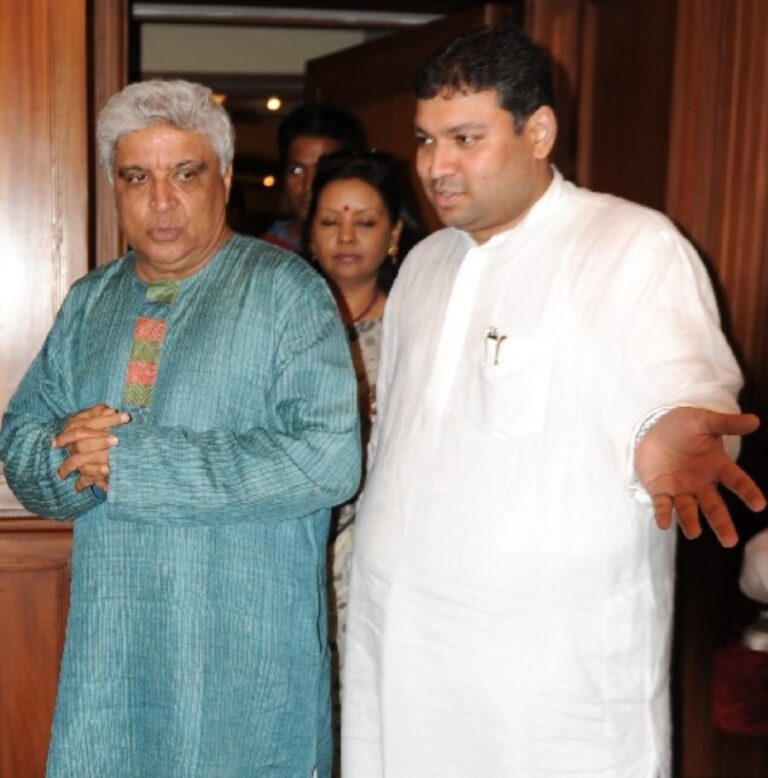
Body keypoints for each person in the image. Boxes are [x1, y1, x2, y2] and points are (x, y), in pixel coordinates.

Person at [341, 26, 766, 777]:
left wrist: (672, 435)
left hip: (546, 676)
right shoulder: (425, 265)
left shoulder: (632, 244)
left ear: (538, 131)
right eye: (425, 139)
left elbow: (694, 399)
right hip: (401, 648)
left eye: (466, 138)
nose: (436, 166)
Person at [0, 79, 361, 778]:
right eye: (137, 177)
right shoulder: (90, 301)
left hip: (247, 661)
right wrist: (68, 459)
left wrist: (133, 464)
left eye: (185, 175)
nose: (160, 201)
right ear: (115, 185)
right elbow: (22, 441)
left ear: (224, 178)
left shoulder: (287, 293)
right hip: (116, 655)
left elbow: (327, 460)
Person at [304, 149, 408, 769]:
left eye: (366, 222)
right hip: (293, 546)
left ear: (395, 233)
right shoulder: (279, 320)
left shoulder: (415, 328)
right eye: (330, 220)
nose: (346, 237)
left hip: (382, 549)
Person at [262, 103, 367, 253]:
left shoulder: (366, 251)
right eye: (296, 170)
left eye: (321, 170)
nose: (308, 186)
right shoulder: (264, 257)